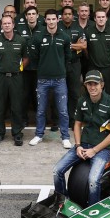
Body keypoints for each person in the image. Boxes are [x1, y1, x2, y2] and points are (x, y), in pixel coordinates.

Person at [51, 70, 110, 207]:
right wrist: (77, 145)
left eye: (95, 84)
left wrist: (94, 151)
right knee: (57, 170)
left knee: (93, 181)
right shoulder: (82, 100)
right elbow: (77, 125)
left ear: (102, 85)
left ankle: (92, 211)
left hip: (101, 150)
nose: (92, 87)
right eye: (89, 84)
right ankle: (62, 201)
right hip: (82, 145)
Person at [28, 9, 72, 147]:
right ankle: (39, 135)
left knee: (63, 111)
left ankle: (65, 137)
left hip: (60, 79)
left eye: (54, 19)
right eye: (49, 19)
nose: (51, 22)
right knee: (41, 110)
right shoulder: (38, 36)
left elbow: (68, 57)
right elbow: (34, 56)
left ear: (57, 20)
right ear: (45, 20)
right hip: (43, 79)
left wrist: (60, 69)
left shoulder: (65, 37)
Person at [0, 14, 29, 146]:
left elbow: (25, 59)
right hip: (0, 77)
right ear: (2, 26)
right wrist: (1, 70)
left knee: (16, 106)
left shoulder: (21, 40)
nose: (6, 25)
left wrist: (17, 69)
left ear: (13, 25)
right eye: (4, 23)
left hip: (16, 77)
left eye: (9, 23)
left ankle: (17, 133)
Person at [61, 5, 86, 124]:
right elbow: (57, 45)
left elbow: (83, 46)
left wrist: (68, 45)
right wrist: (74, 44)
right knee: (59, 92)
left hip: (75, 64)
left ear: (73, 16)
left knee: (74, 93)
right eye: (65, 14)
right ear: (61, 16)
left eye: (69, 14)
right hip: (60, 64)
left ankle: (73, 119)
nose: (67, 16)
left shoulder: (78, 28)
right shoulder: (57, 28)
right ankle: (59, 119)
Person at [85, 10, 110, 90]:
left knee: (107, 90)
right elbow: (85, 48)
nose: (101, 19)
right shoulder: (88, 31)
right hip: (93, 67)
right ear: (95, 19)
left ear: (106, 18)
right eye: (98, 17)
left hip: (107, 67)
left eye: (103, 17)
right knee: (93, 90)